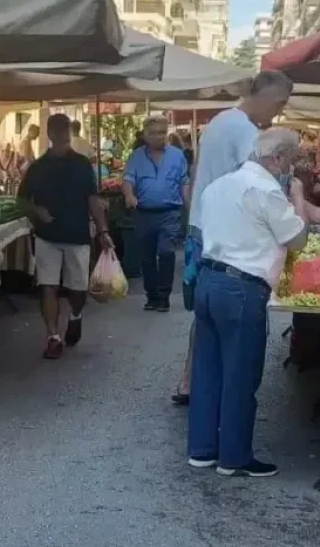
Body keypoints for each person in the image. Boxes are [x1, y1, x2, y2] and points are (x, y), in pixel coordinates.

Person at [188, 128, 308, 478]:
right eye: (291, 160)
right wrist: (298, 197)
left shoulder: (218, 186)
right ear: (278, 158)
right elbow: (297, 239)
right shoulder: (265, 190)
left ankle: (202, 450)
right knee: (240, 376)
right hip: (241, 287)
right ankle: (234, 458)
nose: (291, 168)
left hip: (209, 280)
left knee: (208, 372)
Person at [174, 71, 294, 405]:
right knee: (223, 310)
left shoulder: (220, 121)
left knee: (205, 310)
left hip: (203, 225)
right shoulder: (244, 130)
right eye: (280, 103)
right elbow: (261, 184)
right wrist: (301, 209)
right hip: (220, 232)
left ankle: (190, 380)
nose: (278, 112)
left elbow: (198, 174)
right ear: (267, 95)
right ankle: (210, 385)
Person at [18, 114, 113, 360]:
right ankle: (53, 337)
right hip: (46, 236)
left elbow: (93, 200)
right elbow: (21, 200)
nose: (61, 135)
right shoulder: (37, 168)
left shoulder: (82, 165)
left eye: (65, 131)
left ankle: (75, 315)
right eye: (57, 131)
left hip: (77, 235)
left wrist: (103, 231)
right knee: (47, 286)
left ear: (69, 133)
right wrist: (36, 210)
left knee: (77, 290)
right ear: (49, 134)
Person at [123, 115, 190, 312]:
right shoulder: (136, 156)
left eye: (162, 132)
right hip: (144, 213)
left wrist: (190, 205)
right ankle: (151, 295)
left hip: (169, 213)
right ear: (145, 135)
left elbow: (183, 182)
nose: (158, 137)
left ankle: (163, 296)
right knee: (147, 256)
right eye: (153, 133)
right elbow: (128, 179)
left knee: (166, 252)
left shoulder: (177, 155)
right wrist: (129, 195)